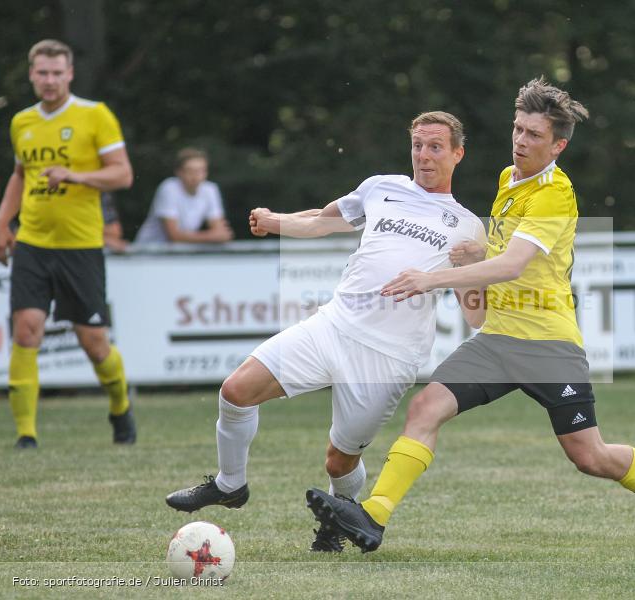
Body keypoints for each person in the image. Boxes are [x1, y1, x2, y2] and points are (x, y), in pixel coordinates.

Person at [306, 78, 635, 558]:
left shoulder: (555, 193)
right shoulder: (508, 180)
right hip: (500, 342)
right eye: (518, 130)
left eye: (534, 135)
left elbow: (512, 264)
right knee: (425, 408)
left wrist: (432, 278)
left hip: (550, 345)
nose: (521, 141)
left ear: (558, 145)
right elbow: (503, 253)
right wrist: (477, 251)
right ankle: (373, 515)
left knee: (590, 456)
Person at [165, 111, 487, 553]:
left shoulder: (468, 226)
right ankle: (230, 485)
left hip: (388, 356)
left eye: (435, 147)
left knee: (339, 461)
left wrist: (474, 268)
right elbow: (322, 219)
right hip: (333, 325)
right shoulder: (382, 188)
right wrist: (275, 221)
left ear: (457, 154)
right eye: (417, 144)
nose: (424, 155)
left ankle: (339, 519)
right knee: (236, 390)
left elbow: (477, 318)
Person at [0, 39, 136, 449]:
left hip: (81, 245)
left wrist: (77, 176)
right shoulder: (22, 121)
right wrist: (3, 221)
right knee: (26, 330)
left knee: (94, 344)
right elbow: (21, 175)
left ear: (70, 74)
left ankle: (120, 405)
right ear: (32, 74)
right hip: (33, 241)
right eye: (42, 72)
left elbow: (123, 175)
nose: (50, 80)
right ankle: (26, 435)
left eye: (57, 73)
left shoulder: (95, 115)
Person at [133, 147, 233, 244]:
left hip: (177, 254)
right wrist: (212, 236)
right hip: (147, 253)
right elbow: (174, 236)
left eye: (200, 170)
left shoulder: (210, 189)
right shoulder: (168, 188)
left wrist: (216, 235)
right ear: (179, 172)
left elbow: (220, 232)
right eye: (190, 170)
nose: (196, 176)